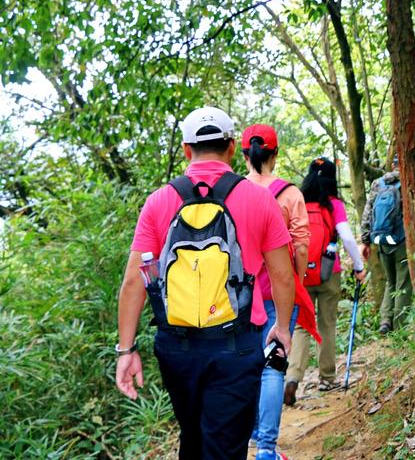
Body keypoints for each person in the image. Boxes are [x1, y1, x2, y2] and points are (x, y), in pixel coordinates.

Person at [115, 107, 295, 460]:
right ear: (231, 147)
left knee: (193, 434)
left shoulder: (158, 202)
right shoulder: (259, 199)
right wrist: (283, 327)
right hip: (237, 344)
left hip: (176, 348)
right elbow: (283, 275)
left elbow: (134, 283)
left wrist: (126, 350)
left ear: (186, 149)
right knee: (225, 444)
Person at [242, 123, 320, 460]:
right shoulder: (290, 194)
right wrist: (296, 282)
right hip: (276, 292)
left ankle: (249, 439)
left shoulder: (233, 192)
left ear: (244, 153)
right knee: (273, 366)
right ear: (275, 153)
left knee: (244, 367)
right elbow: (301, 246)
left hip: (239, 296)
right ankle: (266, 450)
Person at [284, 158, 366, 404]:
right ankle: (327, 377)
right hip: (330, 272)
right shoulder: (333, 205)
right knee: (326, 325)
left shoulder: (296, 200)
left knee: (301, 326)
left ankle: (292, 378)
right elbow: (347, 238)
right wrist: (359, 267)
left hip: (300, 274)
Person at [360, 156, 413, 335]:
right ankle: (400, 326)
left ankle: (385, 321)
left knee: (391, 282)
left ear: (392, 166)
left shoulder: (378, 183)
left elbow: (368, 213)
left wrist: (365, 240)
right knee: (403, 283)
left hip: (382, 240)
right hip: (400, 239)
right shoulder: (408, 181)